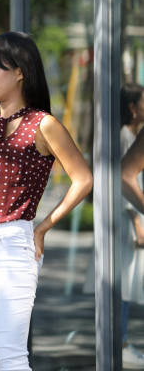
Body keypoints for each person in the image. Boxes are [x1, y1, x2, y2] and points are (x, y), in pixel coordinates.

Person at [0, 32, 93, 371]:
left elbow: (83, 179)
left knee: (11, 356)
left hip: (12, 243)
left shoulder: (44, 124)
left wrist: (43, 228)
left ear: (20, 71)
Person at [119, 83, 144, 368]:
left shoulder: (127, 135)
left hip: (129, 218)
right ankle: (121, 341)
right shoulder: (125, 137)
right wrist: (138, 223)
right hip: (128, 220)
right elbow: (123, 178)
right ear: (132, 108)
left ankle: (122, 340)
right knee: (123, 285)